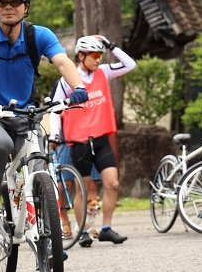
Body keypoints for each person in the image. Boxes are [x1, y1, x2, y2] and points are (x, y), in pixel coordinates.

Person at [0, 0, 90, 224]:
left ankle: (46, 233)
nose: (9, 6)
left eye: (15, 1)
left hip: (24, 114)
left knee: (39, 165)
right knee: (0, 144)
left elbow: (63, 62)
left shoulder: (38, 35)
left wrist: (79, 87)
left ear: (26, 7)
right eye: (2, 2)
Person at [49, 35, 137, 245]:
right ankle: (83, 232)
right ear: (81, 56)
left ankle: (106, 228)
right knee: (82, 189)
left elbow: (130, 64)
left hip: (101, 139)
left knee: (113, 183)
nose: (99, 60)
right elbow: (55, 108)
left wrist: (109, 44)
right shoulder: (68, 80)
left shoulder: (103, 72)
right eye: (95, 56)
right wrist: (54, 134)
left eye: (100, 55)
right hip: (79, 142)